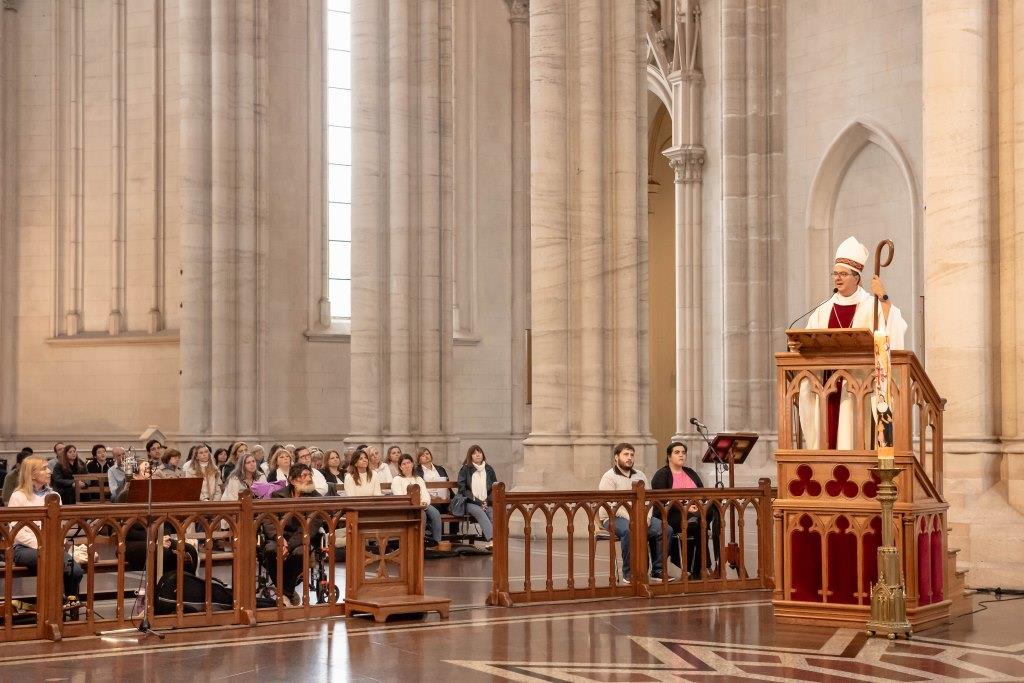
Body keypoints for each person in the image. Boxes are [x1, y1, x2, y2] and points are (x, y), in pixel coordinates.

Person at [798, 236, 909, 449]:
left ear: (856, 277)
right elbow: (808, 340)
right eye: (835, 273)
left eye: (843, 274)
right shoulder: (823, 308)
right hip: (828, 385)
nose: (837, 279)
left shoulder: (870, 304)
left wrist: (883, 297)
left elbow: (893, 326)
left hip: (857, 387)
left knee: (852, 436)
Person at [8, 456, 84, 599]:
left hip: (51, 546)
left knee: (76, 571)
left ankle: (68, 602)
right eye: (44, 468)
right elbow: (17, 532)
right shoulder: (18, 496)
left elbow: (58, 526)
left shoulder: (54, 495)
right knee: (51, 563)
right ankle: (51, 606)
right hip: (24, 548)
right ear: (32, 474)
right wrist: (43, 545)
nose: (49, 471)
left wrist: (57, 542)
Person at [598, 442, 667, 582]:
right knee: (630, 530)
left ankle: (657, 570)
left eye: (632, 455)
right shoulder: (609, 477)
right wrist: (633, 518)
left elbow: (648, 499)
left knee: (665, 529)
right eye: (625, 454)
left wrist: (647, 517)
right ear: (616, 457)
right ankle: (629, 573)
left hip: (640, 516)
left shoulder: (640, 475)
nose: (629, 458)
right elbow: (611, 504)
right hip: (613, 517)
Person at [650, 441, 719, 579]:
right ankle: (704, 567)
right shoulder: (661, 474)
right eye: (677, 452)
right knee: (701, 525)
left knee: (714, 508)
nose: (681, 455)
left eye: (683, 452)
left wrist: (697, 506)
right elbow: (662, 500)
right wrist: (686, 508)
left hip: (695, 511)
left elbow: (702, 494)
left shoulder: (691, 472)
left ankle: (710, 562)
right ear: (669, 456)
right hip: (671, 515)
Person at [261, 464, 324, 605]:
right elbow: (268, 519)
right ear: (293, 480)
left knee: (300, 553)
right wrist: (279, 539)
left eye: (310, 475)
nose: (309, 478)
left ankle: (284, 594)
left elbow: (309, 527)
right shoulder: (278, 495)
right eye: (304, 476)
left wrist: (287, 546)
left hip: (302, 539)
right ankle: (287, 594)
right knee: (271, 550)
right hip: (279, 536)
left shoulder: (316, 498)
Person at [391, 453, 443, 547]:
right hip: (407, 506)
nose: (407, 465)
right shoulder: (397, 480)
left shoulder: (418, 479)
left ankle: (437, 542)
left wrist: (425, 502)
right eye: (404, 464)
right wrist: (415, 505)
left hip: (421, 504)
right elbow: (399, 496)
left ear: (412, 464)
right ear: (400, 467)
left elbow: (425, 493)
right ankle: (419, 543)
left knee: (435, 513)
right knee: (422, 514)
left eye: (408, 463)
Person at [456, 445, 498, 550]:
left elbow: (494, 487)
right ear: (470, 456)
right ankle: (492, 540)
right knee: (480, 512)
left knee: (492, 512)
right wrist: (478, 502)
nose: (478, 454)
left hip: (486, 501)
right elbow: (462, 489)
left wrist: (487, 501)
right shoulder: (465, 469)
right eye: (474, 453)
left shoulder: (488, 469)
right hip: (470, 502)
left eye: (479, 452)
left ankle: (494, 541)